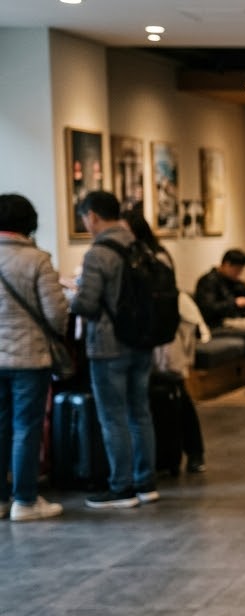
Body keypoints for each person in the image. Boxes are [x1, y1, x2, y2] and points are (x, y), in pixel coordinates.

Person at [69, 190, 160, 509]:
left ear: (92, 215)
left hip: (108, 345)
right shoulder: (140, 244)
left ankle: (120, 487)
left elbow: (87, 303)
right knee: (140, 411)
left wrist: (72, 295)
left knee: (113, 417)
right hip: (142, 341)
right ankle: (145, 483)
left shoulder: (99, 253)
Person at [0, 193, 68, 521]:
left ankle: (0, 500)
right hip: (29, 358)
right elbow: (57, 315)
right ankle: (25, 500)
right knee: (25, 427)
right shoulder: (37, 260)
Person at [123, 208, 206, 474]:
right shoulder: (142, 255)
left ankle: (194, 452)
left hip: (165, 332)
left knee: (175, 389)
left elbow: (157, 299)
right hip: (156, 331)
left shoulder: (154, 258)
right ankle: (174, 454)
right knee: (168, 393)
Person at [194, 249, 245, 390]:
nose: (239, 273)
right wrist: (234, 303)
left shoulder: (235, 283)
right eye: (237, 269)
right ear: (227, 264)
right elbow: (208, 309)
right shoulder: (208, 282)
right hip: (215, 325)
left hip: (235, 321)